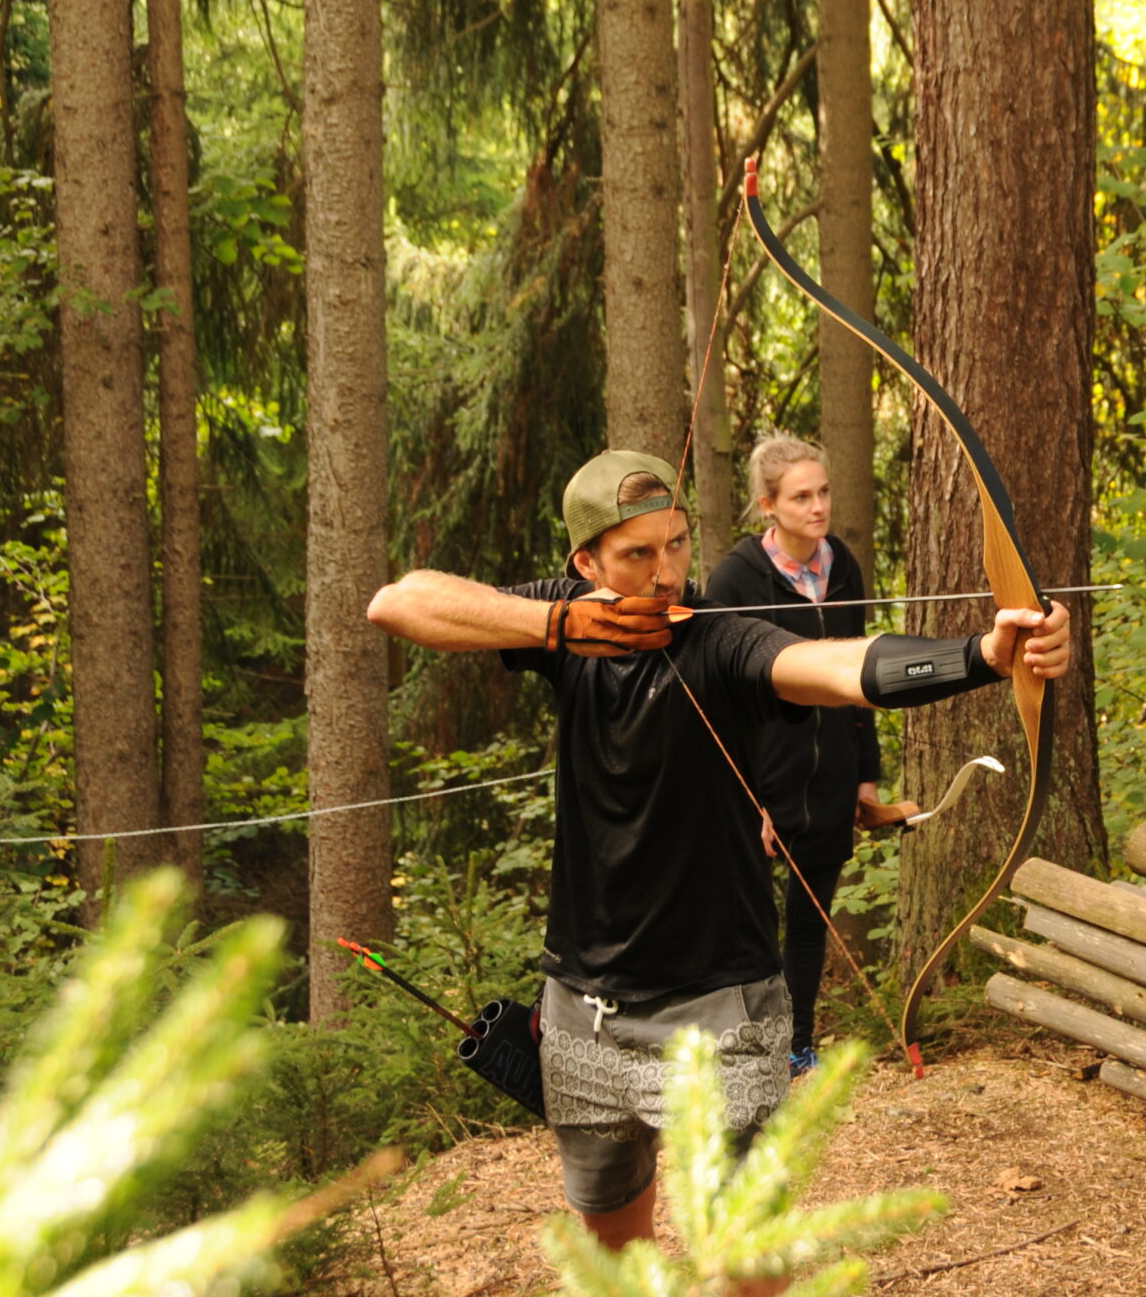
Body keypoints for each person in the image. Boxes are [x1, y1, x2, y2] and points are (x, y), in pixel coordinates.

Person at [364, 448, 1070, 1266]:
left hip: (719, 1010)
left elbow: (838, 667)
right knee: (613, 1254)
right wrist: (559, 626)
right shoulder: (562, 622)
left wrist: (979, 657)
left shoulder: (720, 638)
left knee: (745, 1258)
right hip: (584, 1009)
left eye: (675, 544)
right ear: (586, 564)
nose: (665, 572)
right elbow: (397, 602)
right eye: (638, 554)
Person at [703, 436, 876, 1077]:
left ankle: (798, 1048)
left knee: (809, 925)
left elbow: (859, 674)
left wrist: (866, 775)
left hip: (830, 777)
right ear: (768, 505)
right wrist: (746, 799)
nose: (818, 506)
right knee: (747, 927)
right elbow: (718, 701)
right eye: (801, 497)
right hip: (759, 785)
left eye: (823, 492)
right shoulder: (735, 578)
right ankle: (743, 1053)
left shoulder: (843, 565)